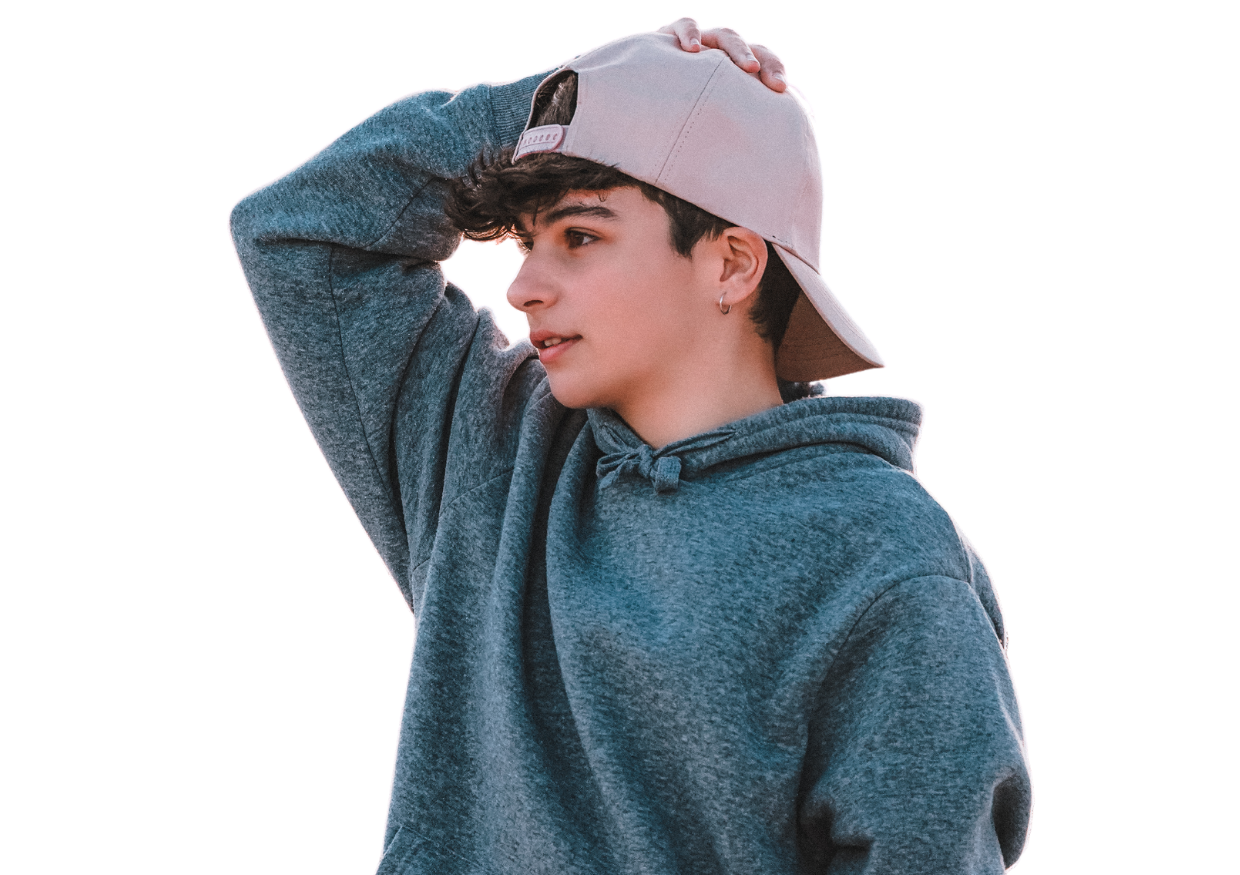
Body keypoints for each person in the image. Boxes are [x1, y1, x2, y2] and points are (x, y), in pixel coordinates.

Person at [231, 19, 1031, 875]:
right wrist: (570, 100)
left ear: (731, 265)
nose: (525, 285)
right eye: (528, 240)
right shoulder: (489, 453)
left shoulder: (882, 555)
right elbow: (298, 231)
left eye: (580, 237)